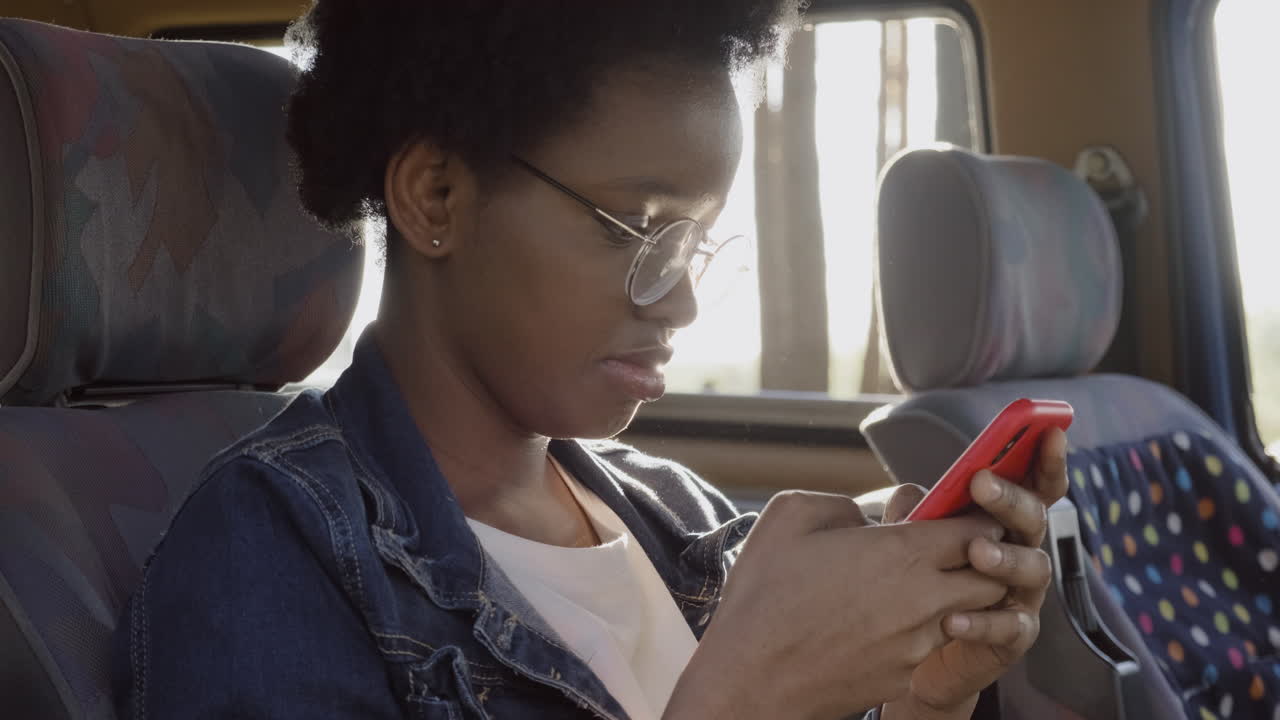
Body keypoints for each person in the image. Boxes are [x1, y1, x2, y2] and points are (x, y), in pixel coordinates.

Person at [111, 2, 1068, 718]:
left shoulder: (679, 518)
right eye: (636, 228)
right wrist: (748, 699)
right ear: (436, 196)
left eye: (694, 243)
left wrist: (922, 702)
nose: (680, 300)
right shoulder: (266, 550)